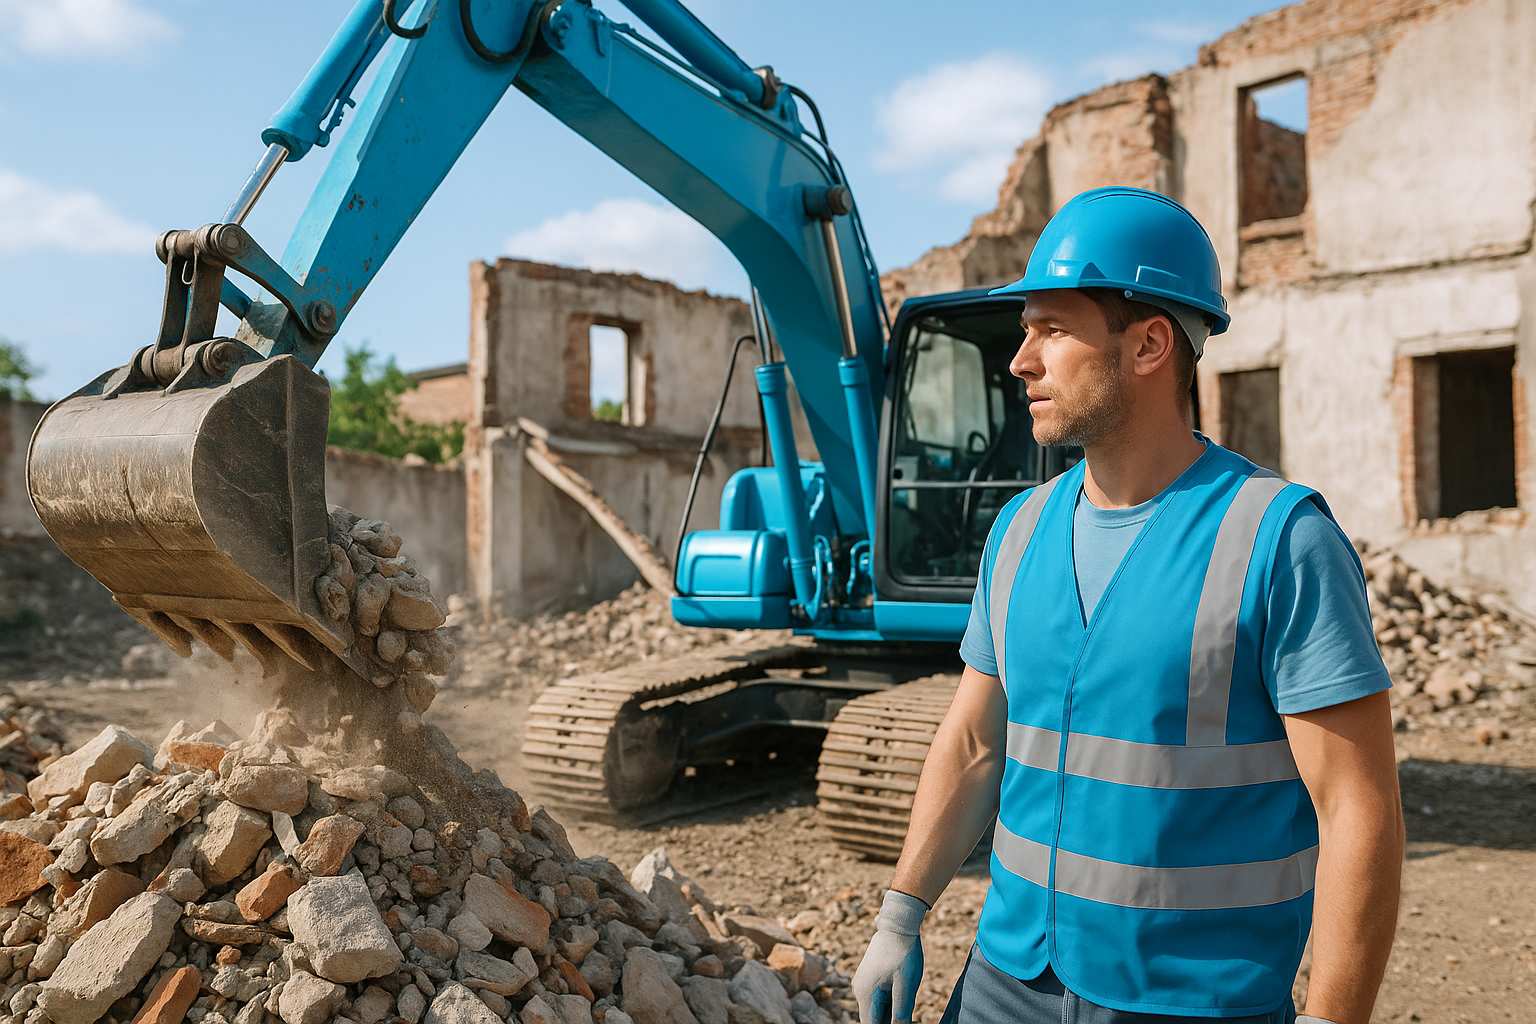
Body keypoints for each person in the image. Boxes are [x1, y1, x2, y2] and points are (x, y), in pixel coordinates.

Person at [852, 187, 1403, 1024]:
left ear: (1149, 344)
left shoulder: (1280, 540)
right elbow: (974, 739)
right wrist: (902, 913)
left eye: (1052, 330)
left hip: (1191, 1001)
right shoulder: (1020, 530)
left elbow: (1358, 808)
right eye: (1025, 330)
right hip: (1005, 985)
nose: (1021, 361)